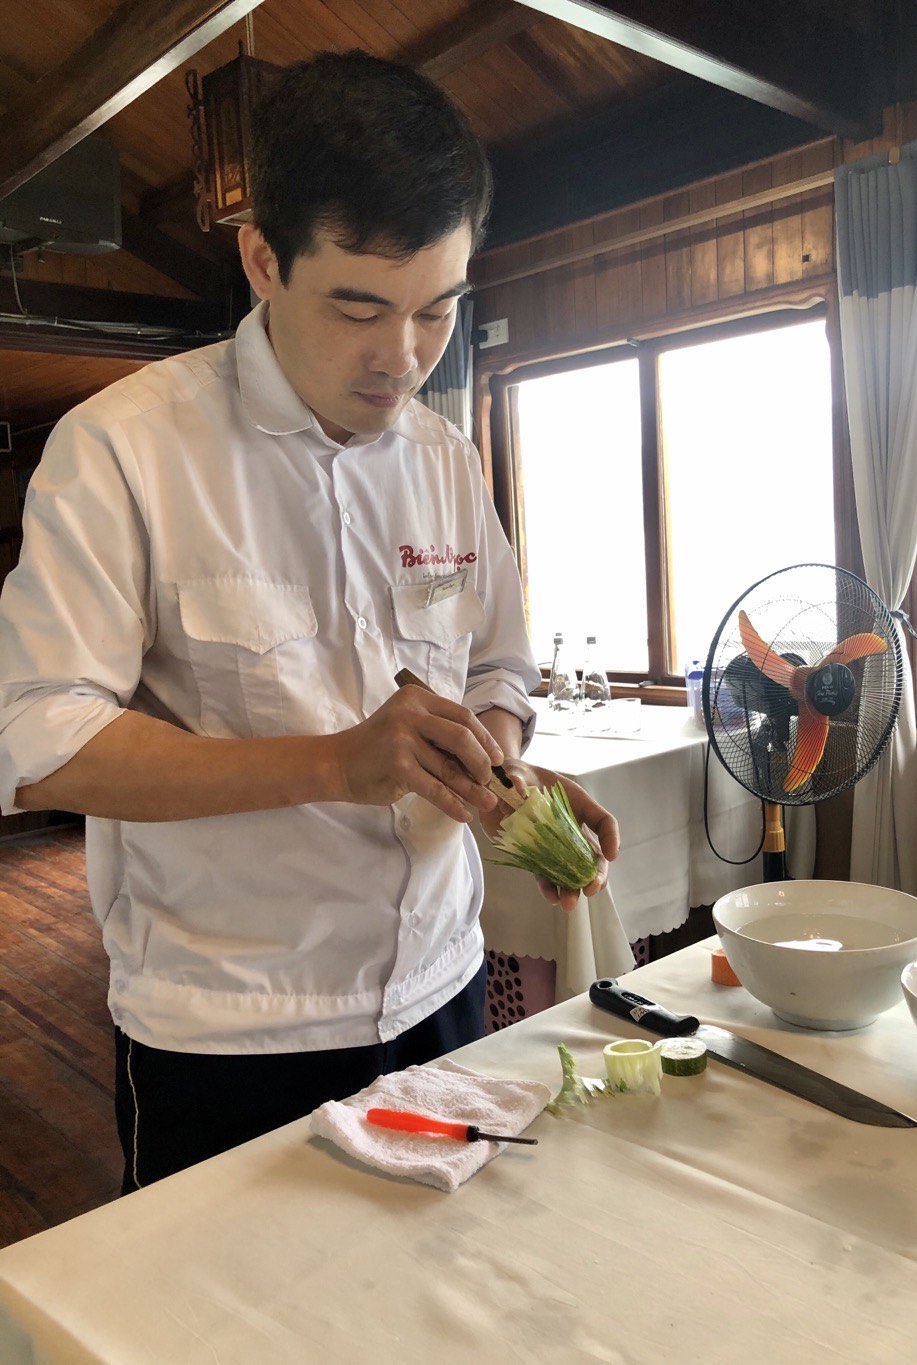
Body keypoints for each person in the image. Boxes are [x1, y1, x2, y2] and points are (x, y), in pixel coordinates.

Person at [0, 50, 618, 1191]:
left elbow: (498, 665)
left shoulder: (441, 455)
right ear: (260, 258)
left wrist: (502, 766)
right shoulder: (126, 448)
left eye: (438, 309)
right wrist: (338, 761)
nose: (401, 358)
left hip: (440, 982)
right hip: (232, 1028)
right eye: (357, 306)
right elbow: (40, 744)